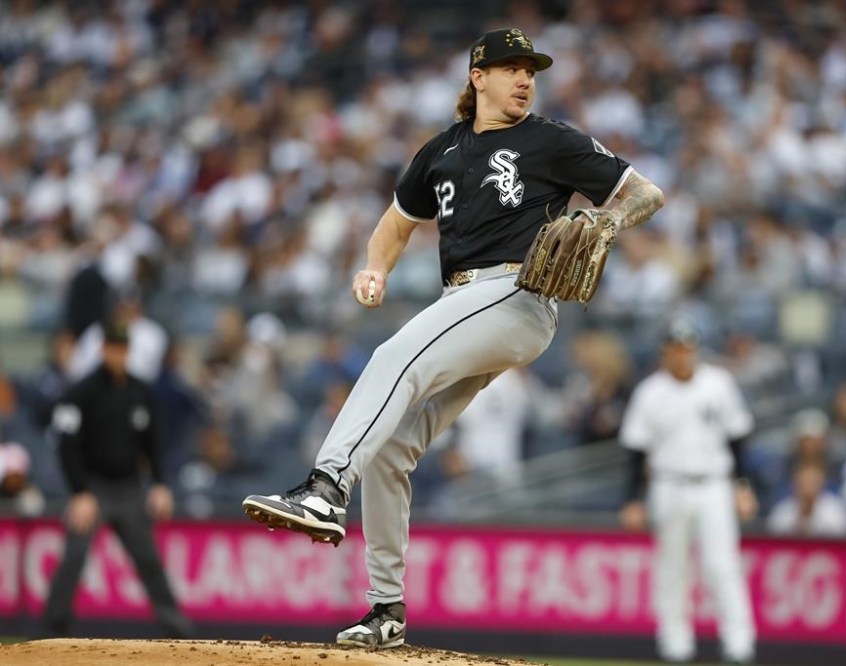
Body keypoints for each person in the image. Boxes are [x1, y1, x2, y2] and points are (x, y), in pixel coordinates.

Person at [242, 26, 664, 649]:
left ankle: (327, 486)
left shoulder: (549, 139)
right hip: (463, 302)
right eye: (512, 66)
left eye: (531, 69)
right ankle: (386, 609)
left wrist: (607, 218)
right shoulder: (439, 151)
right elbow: (395, 222)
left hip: (517, 293)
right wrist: (375, 267)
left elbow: (644, 193)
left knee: (393, 356)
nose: (525, 78)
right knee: (390, 446)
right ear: (478, 77)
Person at [618, 319, 757, 664]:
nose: (681, 355)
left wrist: (742, 486)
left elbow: (737, 439)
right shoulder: (650, 391)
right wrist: (633, 499)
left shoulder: (718, 384)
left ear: (695, 350)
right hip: (668, 484)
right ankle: (674, 645)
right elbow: (636, 451)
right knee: (672, 567)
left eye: (686, 348)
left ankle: (738, 644)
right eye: (674, 348)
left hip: (713, 484)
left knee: (721, 564)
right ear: (665, 352)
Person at [42, 319, 192, 638]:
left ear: (128, 350)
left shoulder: (141, 392)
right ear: (102, 349)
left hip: (129, 488)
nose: (117, 354)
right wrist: (79, 491)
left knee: (149, 559)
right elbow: (67, 445)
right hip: (93, 489)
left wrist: (160, 484)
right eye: (112, 347)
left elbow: (153, 444)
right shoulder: (81, 392)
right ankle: (52, 631)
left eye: (123, 348)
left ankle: (178, 632)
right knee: (74, 556)